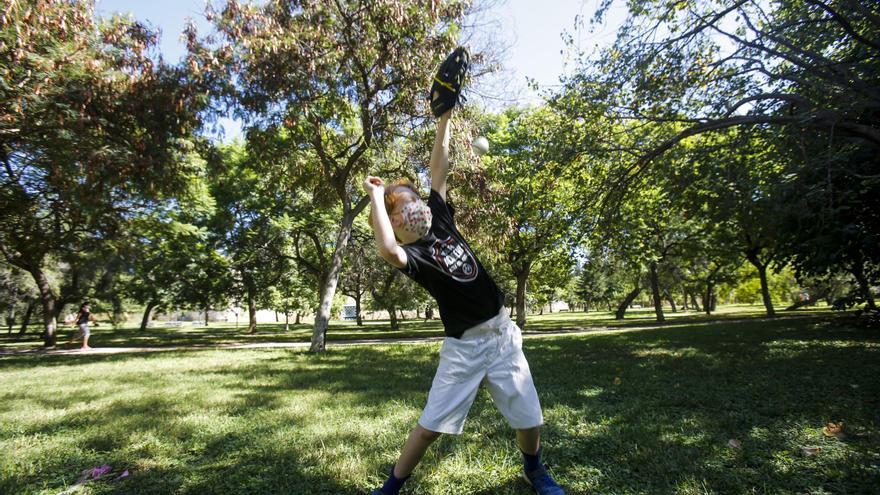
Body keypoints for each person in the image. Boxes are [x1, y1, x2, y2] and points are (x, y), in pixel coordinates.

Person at [365, 47, 564, 495]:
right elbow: (385, 248)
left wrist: (445, 117)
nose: (414, 206)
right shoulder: (411, 257)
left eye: (412, 197)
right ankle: (392, 487)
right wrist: (378, 198)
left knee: (528, 414)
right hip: (464, 349)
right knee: (432, 425)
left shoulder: (442, 218)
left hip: (501, 334)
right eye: (403, 208)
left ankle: (535, 470)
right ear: (396, 222)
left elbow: (439, 169)